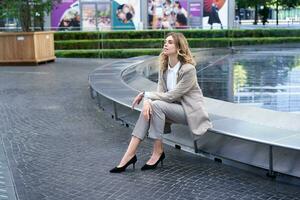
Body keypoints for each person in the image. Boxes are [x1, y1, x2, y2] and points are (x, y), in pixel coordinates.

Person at [109, 32, 212, 173]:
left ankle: (157, 152)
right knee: (152, 107)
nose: (165, 44)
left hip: (189, 112)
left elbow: (171, 96)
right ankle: (129, 154)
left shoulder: (188, 70)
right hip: (170, 108)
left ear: (179, 47)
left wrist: (146, 95)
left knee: (156, 105)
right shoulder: (164, 68)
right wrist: (147, 101)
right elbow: (160, 93)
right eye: (165, 41)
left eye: (170, 42)